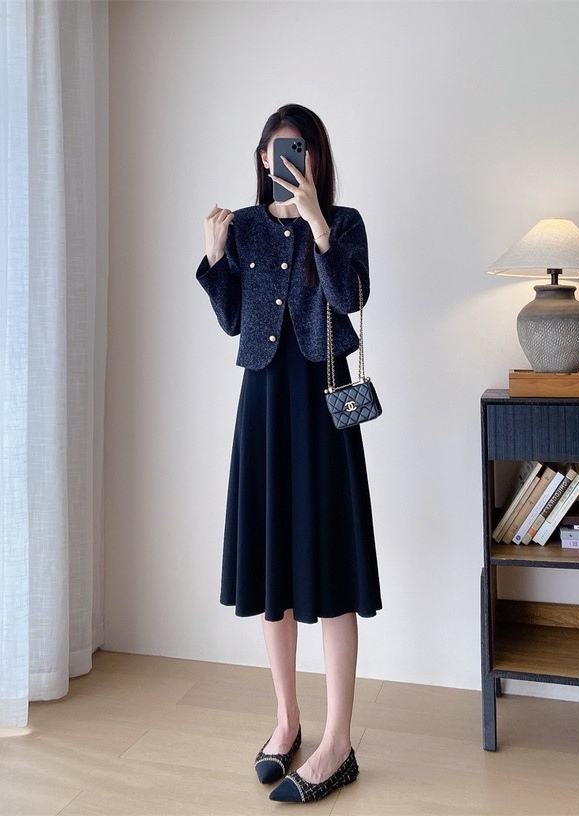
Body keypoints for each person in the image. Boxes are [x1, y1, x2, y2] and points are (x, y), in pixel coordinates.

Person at [197, 104, 381, 804]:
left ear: (316, 158)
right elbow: (234, 320)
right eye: (277, 151)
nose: (288, 162)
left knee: (330, 567)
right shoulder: (245, 227)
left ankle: (339, 742)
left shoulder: (345, 222)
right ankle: (287, 721)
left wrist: (318, 225)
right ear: (262, 159)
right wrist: (216, 256)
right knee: (271, 564)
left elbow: (351, 297)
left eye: (299, 150)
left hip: (323, 403)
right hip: (264, 406)